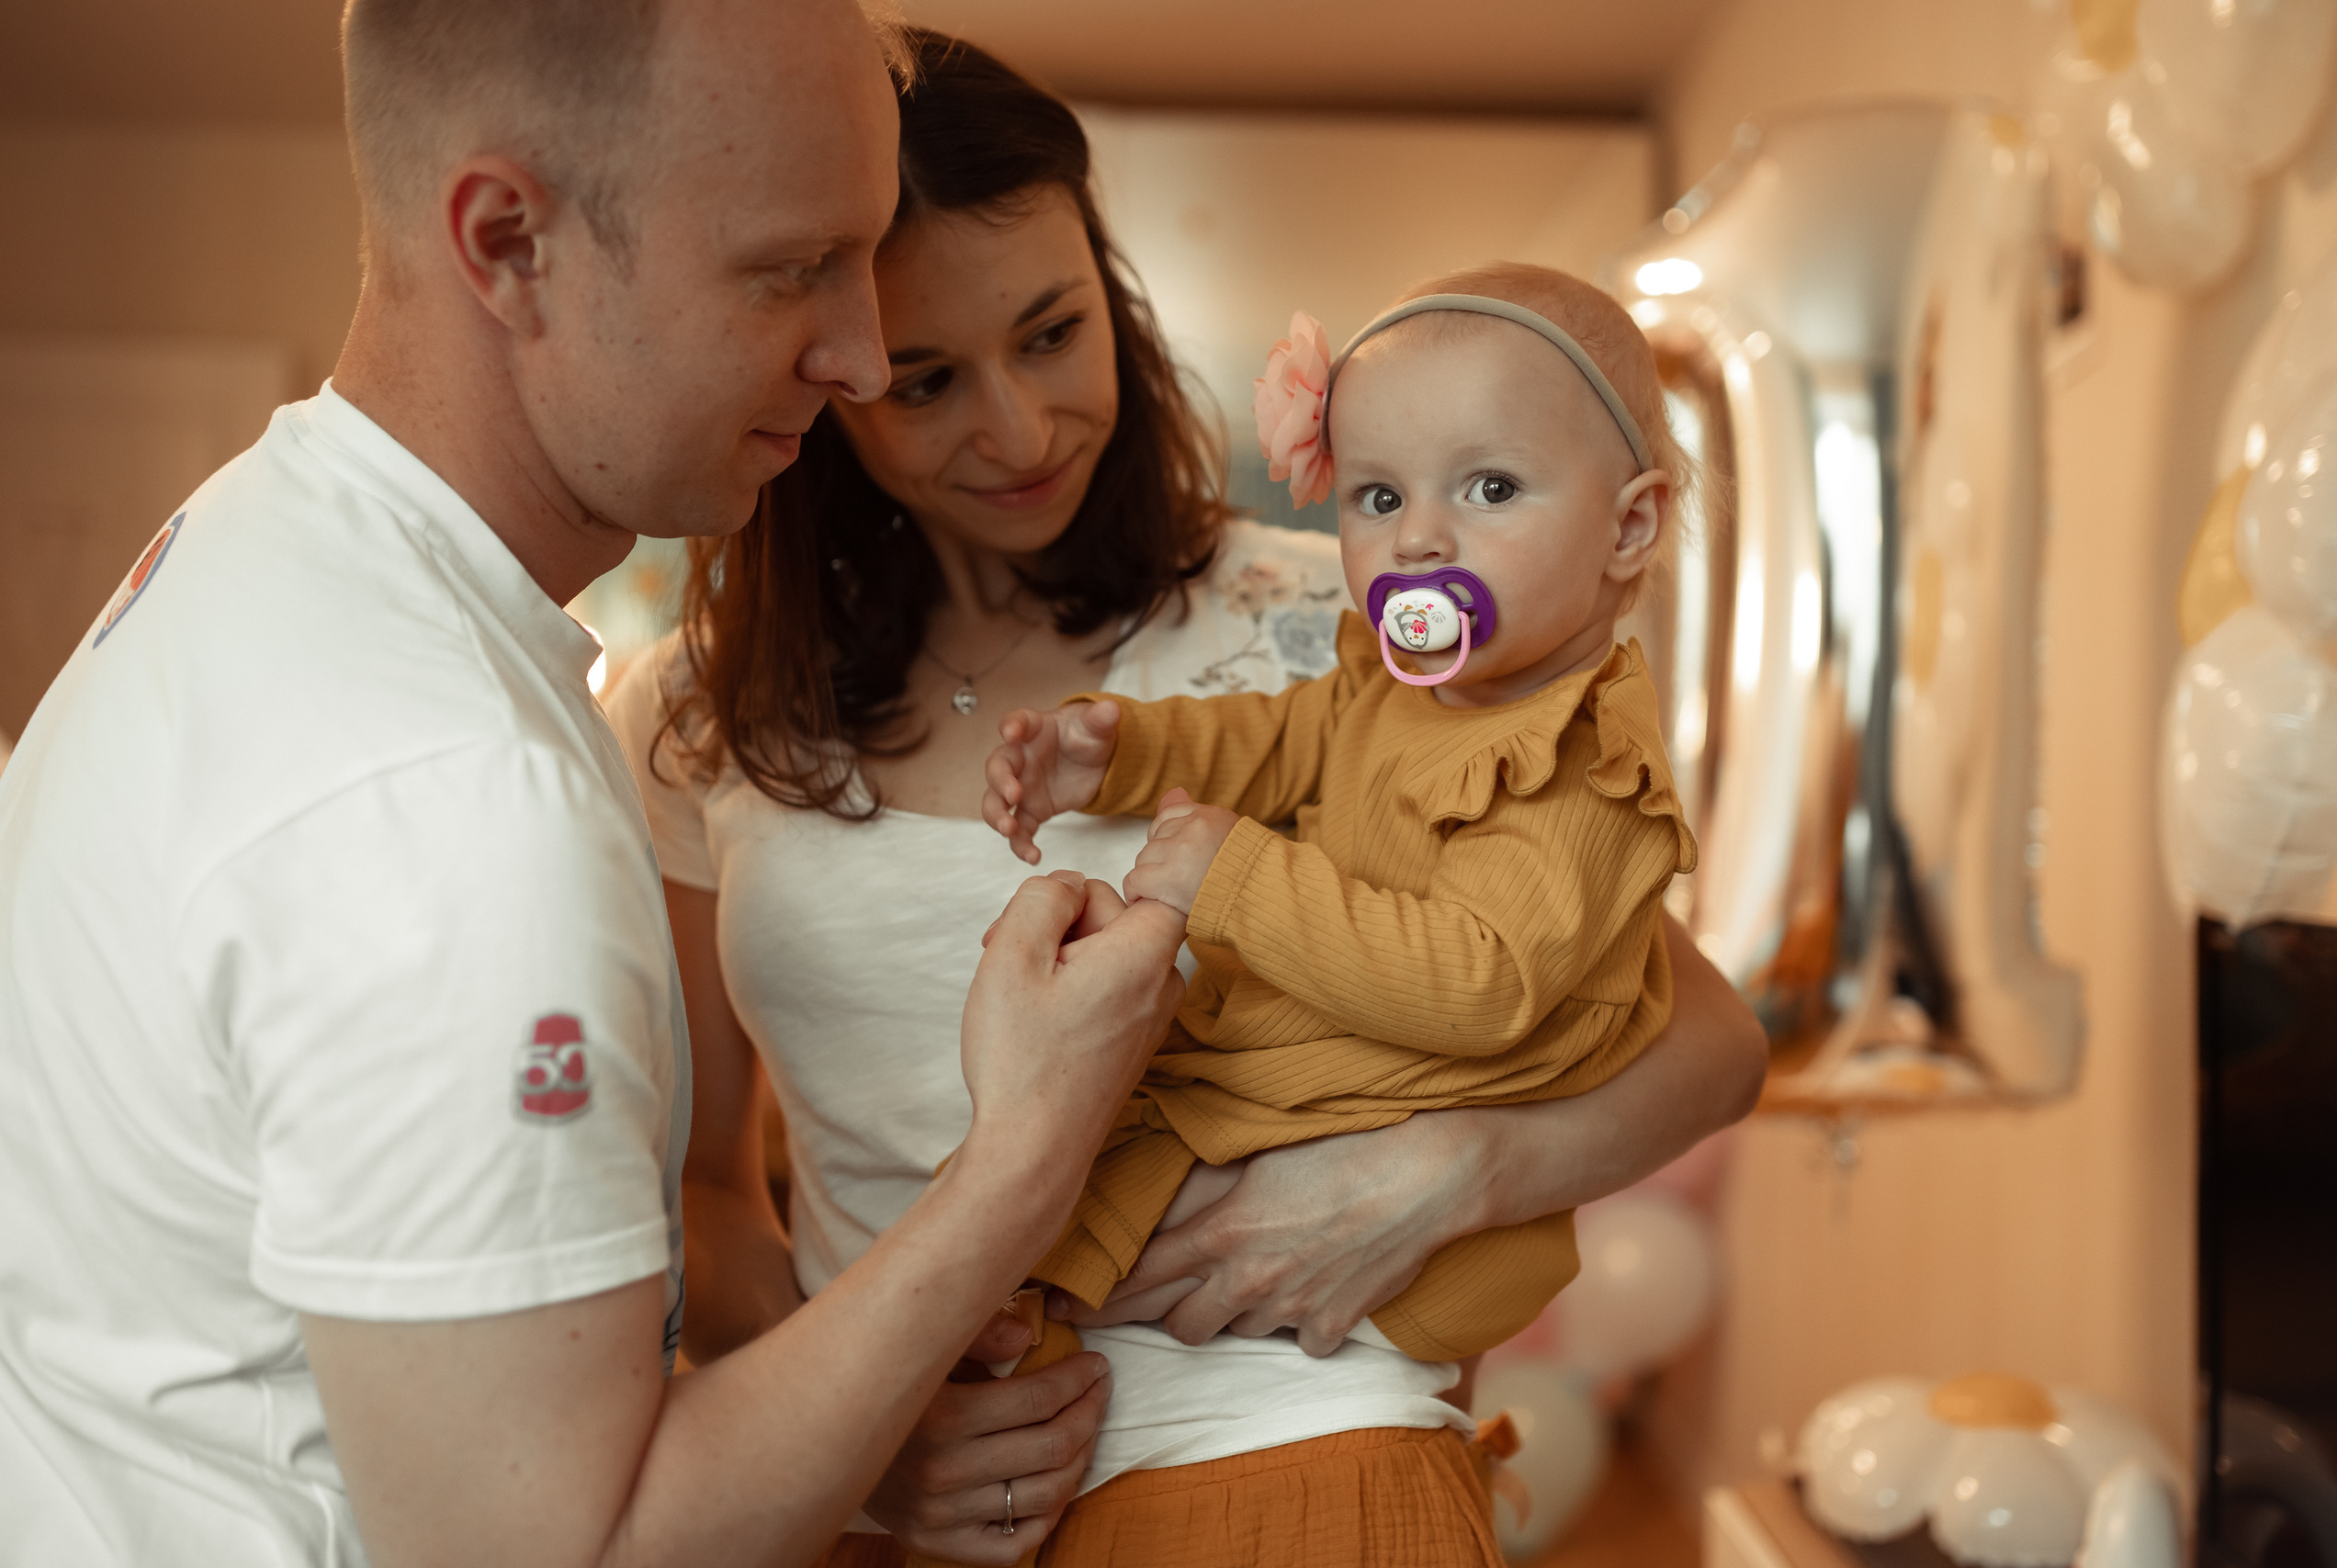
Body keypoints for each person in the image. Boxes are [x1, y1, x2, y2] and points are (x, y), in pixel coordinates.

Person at [0, 4, 1188, 1566]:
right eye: (789, 269)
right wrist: (1022, 1159)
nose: (859, 355)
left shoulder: (248, 546)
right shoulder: (445, 794)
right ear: (508, 239)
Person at [609, 32, 1767, 1566]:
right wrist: (870, 1434)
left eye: (1052, 332)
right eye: (928, 381)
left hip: (1287, 1460)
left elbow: (1706, 1038)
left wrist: (1444, 1177)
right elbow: (699, 1191)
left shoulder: (1345, 624)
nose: (1018, 432)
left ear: (1112, 289)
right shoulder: (701, 716)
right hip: (886, 1511)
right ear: (825, 374)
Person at [984, 263, 1702, 1382]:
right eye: (1379, 497)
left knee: (1116, 1173)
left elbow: (1482, 984)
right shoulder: (1397, 687)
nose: (1417, 540)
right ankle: (988, 1330)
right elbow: (1275, 740)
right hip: (1317, 1075)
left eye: (1491, 489)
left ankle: (1012, 1329)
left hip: (1393, 1110)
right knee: (1072, 1146)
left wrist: (1238, 880)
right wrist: (1122, 752)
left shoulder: (1584, 771)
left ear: (1628, 528)